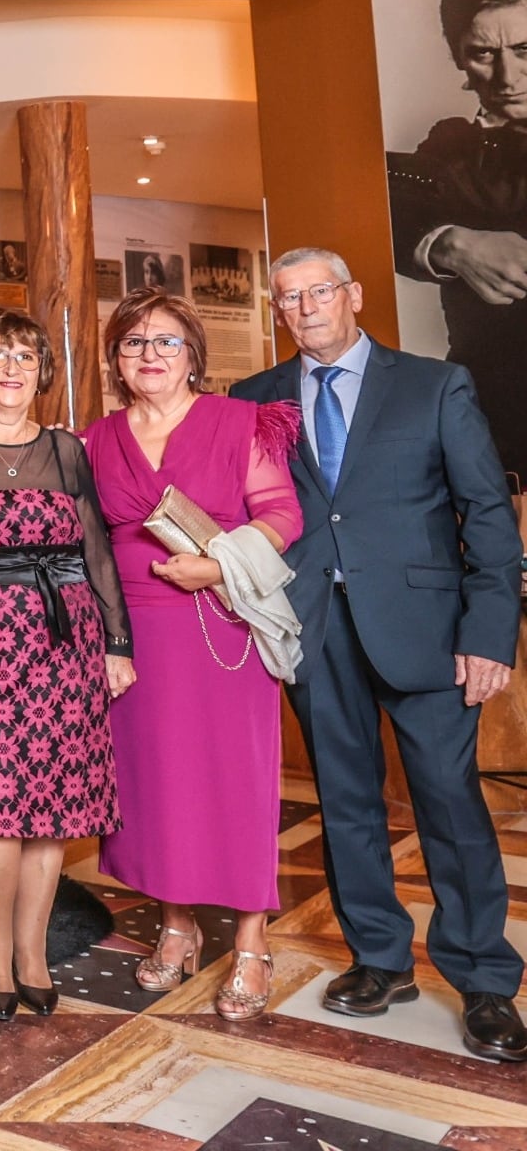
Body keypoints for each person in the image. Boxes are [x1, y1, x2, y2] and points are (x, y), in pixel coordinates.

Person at [235, 250, 527, 1060]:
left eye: (318, 292)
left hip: (428, 633)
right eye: (287, 297)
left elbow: (487, 515)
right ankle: (380, 959)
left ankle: (484, 981)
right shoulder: (254, 399)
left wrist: (487, 632)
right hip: (314, 629)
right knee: (346, 801)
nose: (304, 308)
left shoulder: (435, 384)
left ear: (354, 296)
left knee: (450, 803)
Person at [84, 290, 301, 1021]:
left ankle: (250, 940)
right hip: (136, 638)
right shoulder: (96, 439)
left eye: (167, 342)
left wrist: (217, 570)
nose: (150, 354)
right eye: (134, 342)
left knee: (234, 782)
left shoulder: (240, 423)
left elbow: (282, 516)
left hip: (221, 629)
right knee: (155, 786)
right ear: (116, 358)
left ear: (193, 356)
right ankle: (177, 927)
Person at [0, 308, 133, 1020]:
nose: (11, 368)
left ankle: (34, 952)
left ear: (41, 371)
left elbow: (95, 553)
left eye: (23, 356)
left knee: (55, 809)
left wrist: (117, 644)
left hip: (65, 643)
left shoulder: (67, 452)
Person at [389, 0, 527, 477]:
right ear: (459, 60)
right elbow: (384, 196)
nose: (507, 78)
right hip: (497, 427)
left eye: (525, 50)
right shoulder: (452, 148)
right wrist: (450, 244)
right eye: (483, 54)